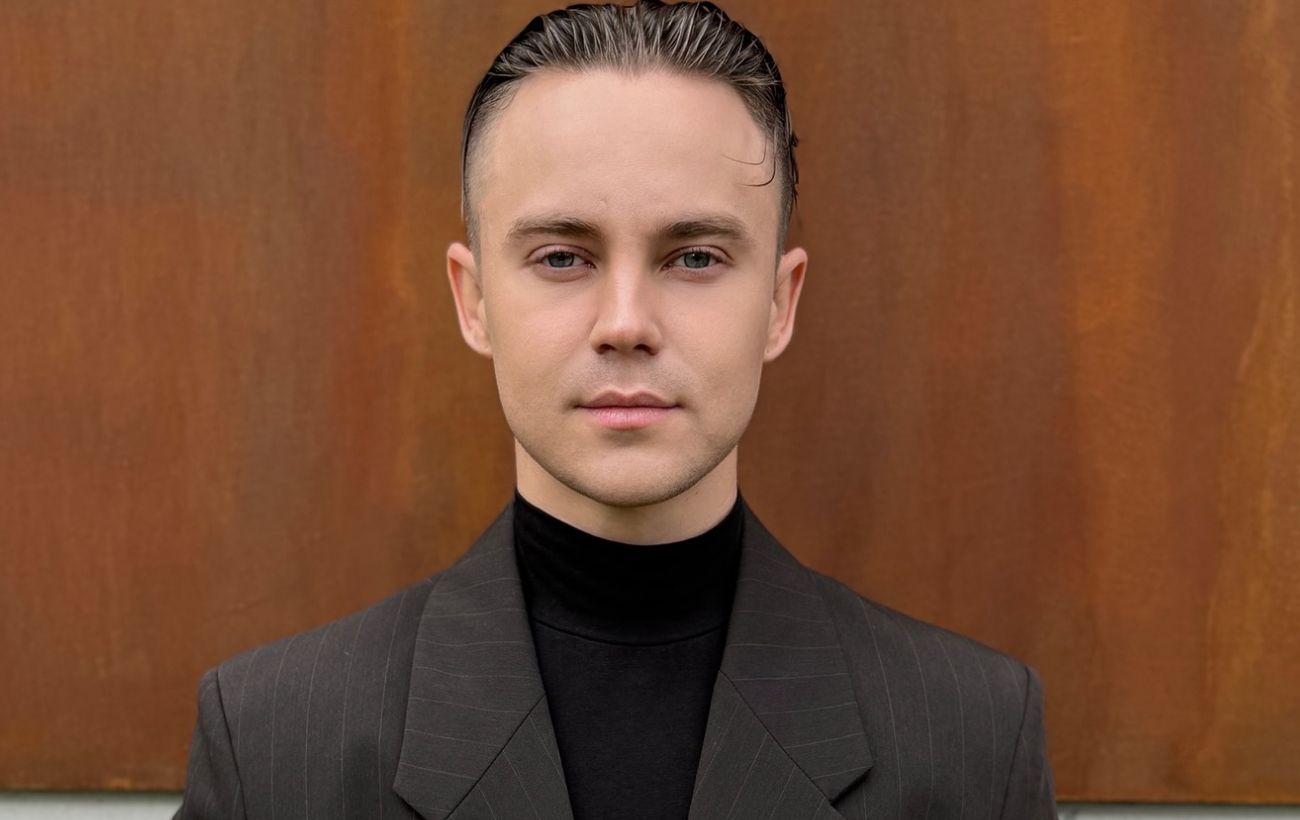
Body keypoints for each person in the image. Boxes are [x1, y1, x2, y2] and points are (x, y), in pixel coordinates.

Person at [175, 1, 1057, 817]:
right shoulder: (272, 747)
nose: (626, 323)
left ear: (779, 304)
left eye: (695, 257)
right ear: (473, 301)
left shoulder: (974, 742)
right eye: (562, 257)